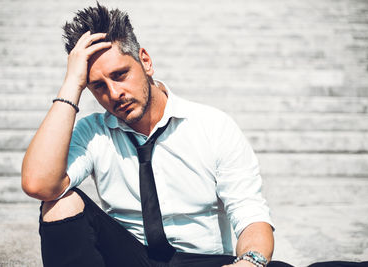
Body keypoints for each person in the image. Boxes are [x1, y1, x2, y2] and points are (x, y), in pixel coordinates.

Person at [22, 3, 287, 267]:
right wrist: (72, 84)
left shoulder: (212, 126)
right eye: (98, 86)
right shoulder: (93, 132)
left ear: (145, 61)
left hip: (204, 261)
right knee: (59, 204)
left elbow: (250, 213)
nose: (114, 94)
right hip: (129, 257)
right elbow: (39, 185)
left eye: (120, 75)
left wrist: (250, 262)